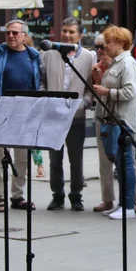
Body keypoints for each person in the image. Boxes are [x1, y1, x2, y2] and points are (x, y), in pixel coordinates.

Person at [0, 19, 41, 212]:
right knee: (1, 155)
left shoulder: (33, 56)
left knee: (22, 157)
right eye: (8, 33)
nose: (11, 36)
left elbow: (37, 83)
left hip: (26, 111)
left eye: (15, 33)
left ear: (24, 35)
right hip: (3, 110)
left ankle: (18, 196)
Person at [40, 17, 95, 212]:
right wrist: (45, 98)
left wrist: (84, 104)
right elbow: (42, 80)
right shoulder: (48, 53)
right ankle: (57, 195)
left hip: (76, 116)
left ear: (80, 35)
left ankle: (76, 195)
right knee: (55, 159)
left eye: (72, 32)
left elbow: (90, 86)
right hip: (53, 115)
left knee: (76, 159)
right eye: (64, 31)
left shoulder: (88, 57)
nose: (67, 35)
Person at [93, 26, 136, 220]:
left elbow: (130, 92)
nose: (106, 46)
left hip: (123, 121)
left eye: (109, 42)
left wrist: (107, 92)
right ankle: (123, 204)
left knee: (126, 163)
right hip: (115, 119)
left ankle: (128, 206)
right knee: (120, 164)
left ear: (121, 43)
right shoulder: (116, 63)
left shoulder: (127, 63)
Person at [90, 31, 117, 213]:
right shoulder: (96, 67)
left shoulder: (119, 66)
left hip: (119, 117)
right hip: (102, 116)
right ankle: (107, 199)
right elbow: (96, 95)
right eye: (97, 47)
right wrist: (97, 78)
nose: (100, 50)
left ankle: (130, 200)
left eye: (103, 46)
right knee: (103, 160)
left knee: (124, 159)